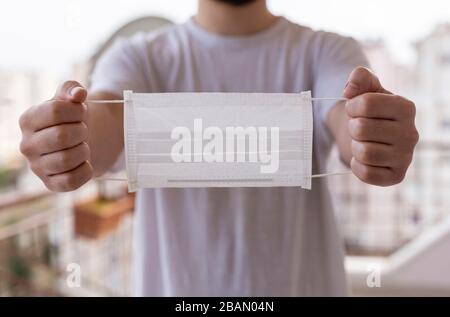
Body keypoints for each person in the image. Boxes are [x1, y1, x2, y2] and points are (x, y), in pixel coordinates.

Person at [18, 0, 419, 296]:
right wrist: (69, 135)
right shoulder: (137, 57)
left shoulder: (327, 51)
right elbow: (103, 126)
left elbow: (349, 121)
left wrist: (371, 135)